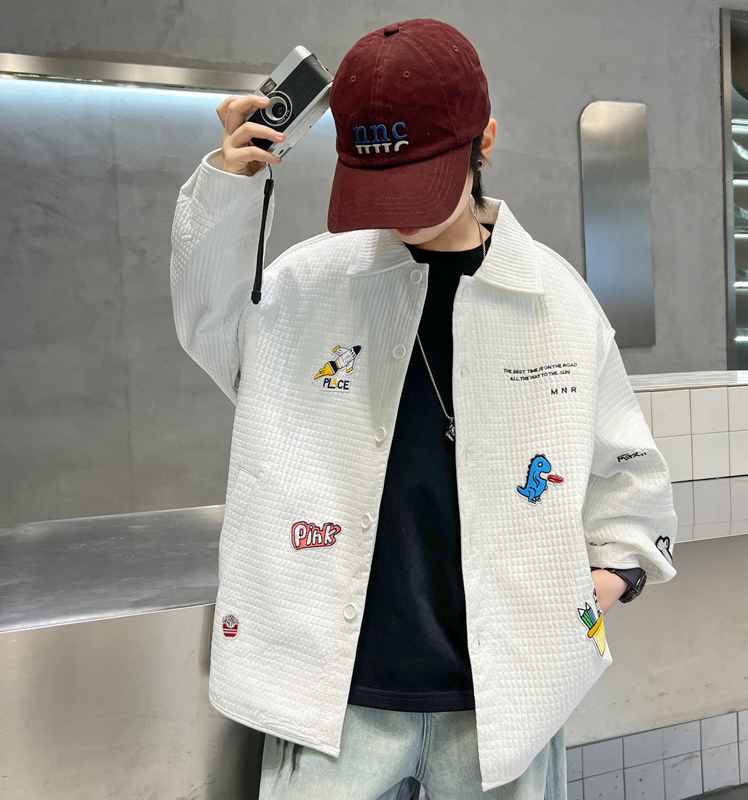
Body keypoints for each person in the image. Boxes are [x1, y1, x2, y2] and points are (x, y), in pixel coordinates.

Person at [170, 18, 677, 800]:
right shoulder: (309, 285)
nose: (400, 211)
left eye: (422, 181)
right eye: (378, 185)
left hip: (504, 703)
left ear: (485, 143)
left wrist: (605, 582)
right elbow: (211, 326)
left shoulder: (556, 301)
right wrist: (228, 189)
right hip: (336, 702)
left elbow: (627, 468)